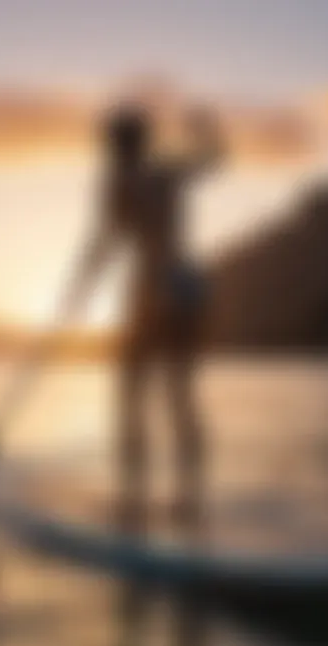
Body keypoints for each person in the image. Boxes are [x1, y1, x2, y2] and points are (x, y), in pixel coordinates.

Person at [61, 103, 226, 534]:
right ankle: (192, 501)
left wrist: (77, 291)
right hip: (188, 286)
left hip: (153, 289)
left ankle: (133, 501)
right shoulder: (166, 172)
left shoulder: (119, 181)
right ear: (144, 142)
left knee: (130, 394)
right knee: (180, 395)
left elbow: (106, 242)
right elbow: (214, 160)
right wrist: (207, 127)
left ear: (116, 146)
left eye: (111, 143)